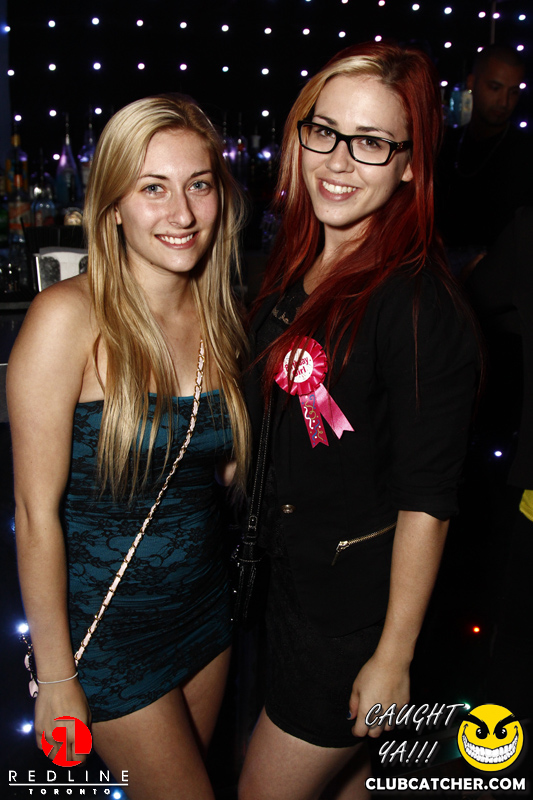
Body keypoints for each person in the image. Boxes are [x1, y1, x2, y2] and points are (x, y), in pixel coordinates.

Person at [239, 42, 479, 800]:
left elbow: (427, 498)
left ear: (410, 164)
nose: (337, 162)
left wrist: (393, 656)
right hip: (292, 588)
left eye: (371, 142)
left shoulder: (418, 303)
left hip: (350, 623)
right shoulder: (298, 264)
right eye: (325, 131)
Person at [7, 94, 250, 800]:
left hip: (205, 613)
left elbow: (223, 473)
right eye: (153, 188)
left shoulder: (223, 317)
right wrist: (57, 675)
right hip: (108, 632)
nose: (182, 213)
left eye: (198, 184)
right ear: (112, 205)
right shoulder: (66, 318)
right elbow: (35, 513)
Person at [436, 44, 533, 275]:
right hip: (438, 269)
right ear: (472, 83)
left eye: (513, 92)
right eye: (495, 87)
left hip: (500, 275)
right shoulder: (446, 144)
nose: (504, 102)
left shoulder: (525, 152)